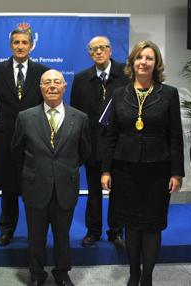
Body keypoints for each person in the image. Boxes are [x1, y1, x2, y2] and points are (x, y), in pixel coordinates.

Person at [101, 40, 184, 286]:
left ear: (156, 63)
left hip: (157, 170)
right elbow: (111, 135)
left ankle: (146, 277)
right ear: (132, 63)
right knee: (131, 226)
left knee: (152, 227)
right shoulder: (119, 93)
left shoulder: (169, 93)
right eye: (139, 57)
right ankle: (133, 274)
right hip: (124, 169)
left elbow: (175, 135)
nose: (143, 62)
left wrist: (177, 173)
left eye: (149, 58)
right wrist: (106, 170)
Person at [12, 69, 91, 286]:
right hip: (35, 184)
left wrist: (64, 169)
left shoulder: (80, 118)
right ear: (40, 88)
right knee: (36, 235)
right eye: (47, 82)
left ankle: (62, 272)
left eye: (57, 82)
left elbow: (84, 152)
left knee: (62, 235)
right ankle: (36, 274)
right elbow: (17, 151)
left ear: (65, 87)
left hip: (66, 185)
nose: (53, 86)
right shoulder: (25, 117)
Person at [0, 27, 50, 246]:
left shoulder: (43, 71)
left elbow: (47, 105)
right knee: (8, 186)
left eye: (24, 42)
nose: (20, 46)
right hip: (5, 138)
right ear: (10, 45)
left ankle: (35, 230)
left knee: (33, 186)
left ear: (31, 45)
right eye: (16, 42)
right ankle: (7, 228)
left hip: (34, 136)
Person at [70, 35, 129, 248]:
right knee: (93, 191)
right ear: (89, 53)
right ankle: (93, 230)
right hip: (92, 145)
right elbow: (75, 114)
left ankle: (116, 231)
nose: (98, 52)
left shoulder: (126, 74)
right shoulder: (81, 79)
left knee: (119, 191)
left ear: (110, 50)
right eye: (94, 49)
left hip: (120, 145)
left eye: (102, 48)